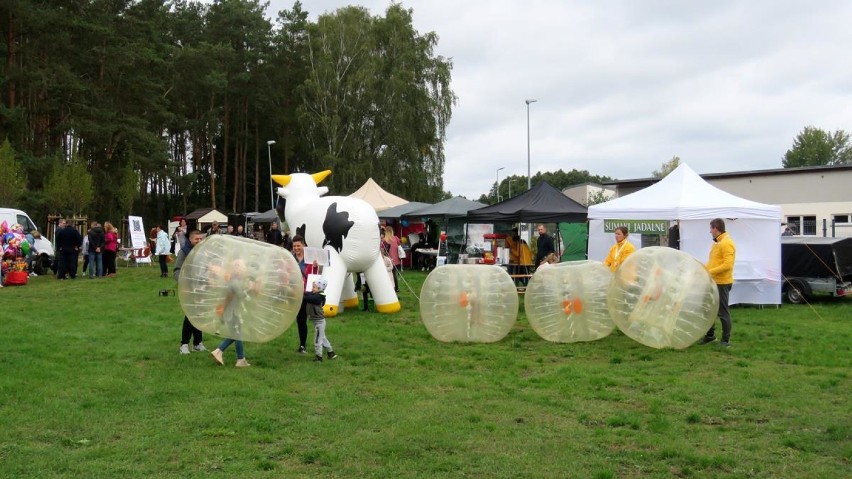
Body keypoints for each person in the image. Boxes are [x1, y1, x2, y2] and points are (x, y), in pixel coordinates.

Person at [210, 259, 256, 368]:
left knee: (237, 334)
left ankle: (241, 359)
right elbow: (240, 296)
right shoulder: (235, 283)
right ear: (239, 270)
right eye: (243, 269)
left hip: (232, 312)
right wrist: (251, 288)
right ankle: (220, 351)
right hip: (232, 313)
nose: (244, 271)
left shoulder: (234, 281)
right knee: (236, 335)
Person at [699, 218, 737, 348]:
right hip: (713, 281)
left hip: (722, 282)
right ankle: (710, 336)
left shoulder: (727, 243)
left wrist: (710, 271)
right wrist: (704, 269)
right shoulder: (716, 243)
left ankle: (725, 341)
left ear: (716, 228)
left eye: (711, 228)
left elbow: (728, 265)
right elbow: (713, 262)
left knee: (722, 312)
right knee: (708, 309)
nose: (710, 231)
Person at [174, 230, 206, 355]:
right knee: (190, 316)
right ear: (191, 239)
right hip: (189, 289)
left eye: (200, 239)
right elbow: (177, 271)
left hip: (201, 289)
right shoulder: (184, 252)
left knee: (199, 315)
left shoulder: (204, 252)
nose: (199, 241)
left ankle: (198, 343)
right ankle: (184, 344)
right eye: (196, 239)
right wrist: (184, 284)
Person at [291, 235, 317, 354]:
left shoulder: (310, 259)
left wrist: (316, 267)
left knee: (316, 320)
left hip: (308, 293)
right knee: (301, 320)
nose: (296, 248)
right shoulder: (291, 259)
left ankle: (322, 345)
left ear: (303, 246)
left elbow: (314, 276)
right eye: (294, 246)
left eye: (298, 246)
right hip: (297, 294)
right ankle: (302, 345)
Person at [304, 277, 338, 362]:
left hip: (319, 323)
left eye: (314, 287)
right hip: (317, 322)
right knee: (322, 338)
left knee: (317, 340)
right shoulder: (315, 294)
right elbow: (308, 293)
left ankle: (319, 357)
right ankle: (331, 353)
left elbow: (309, 298)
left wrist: (301, 296)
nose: (312, 289)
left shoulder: (318, 298)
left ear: (319, 288)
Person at [382, 225, 401, 292]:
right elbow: (399, 245)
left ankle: (390, 288)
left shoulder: (384, 240)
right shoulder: (396, 238)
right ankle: (396, 288)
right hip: (396, 260)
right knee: (394, 274)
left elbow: (382, 250)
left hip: (388, 260)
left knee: (389, 275)